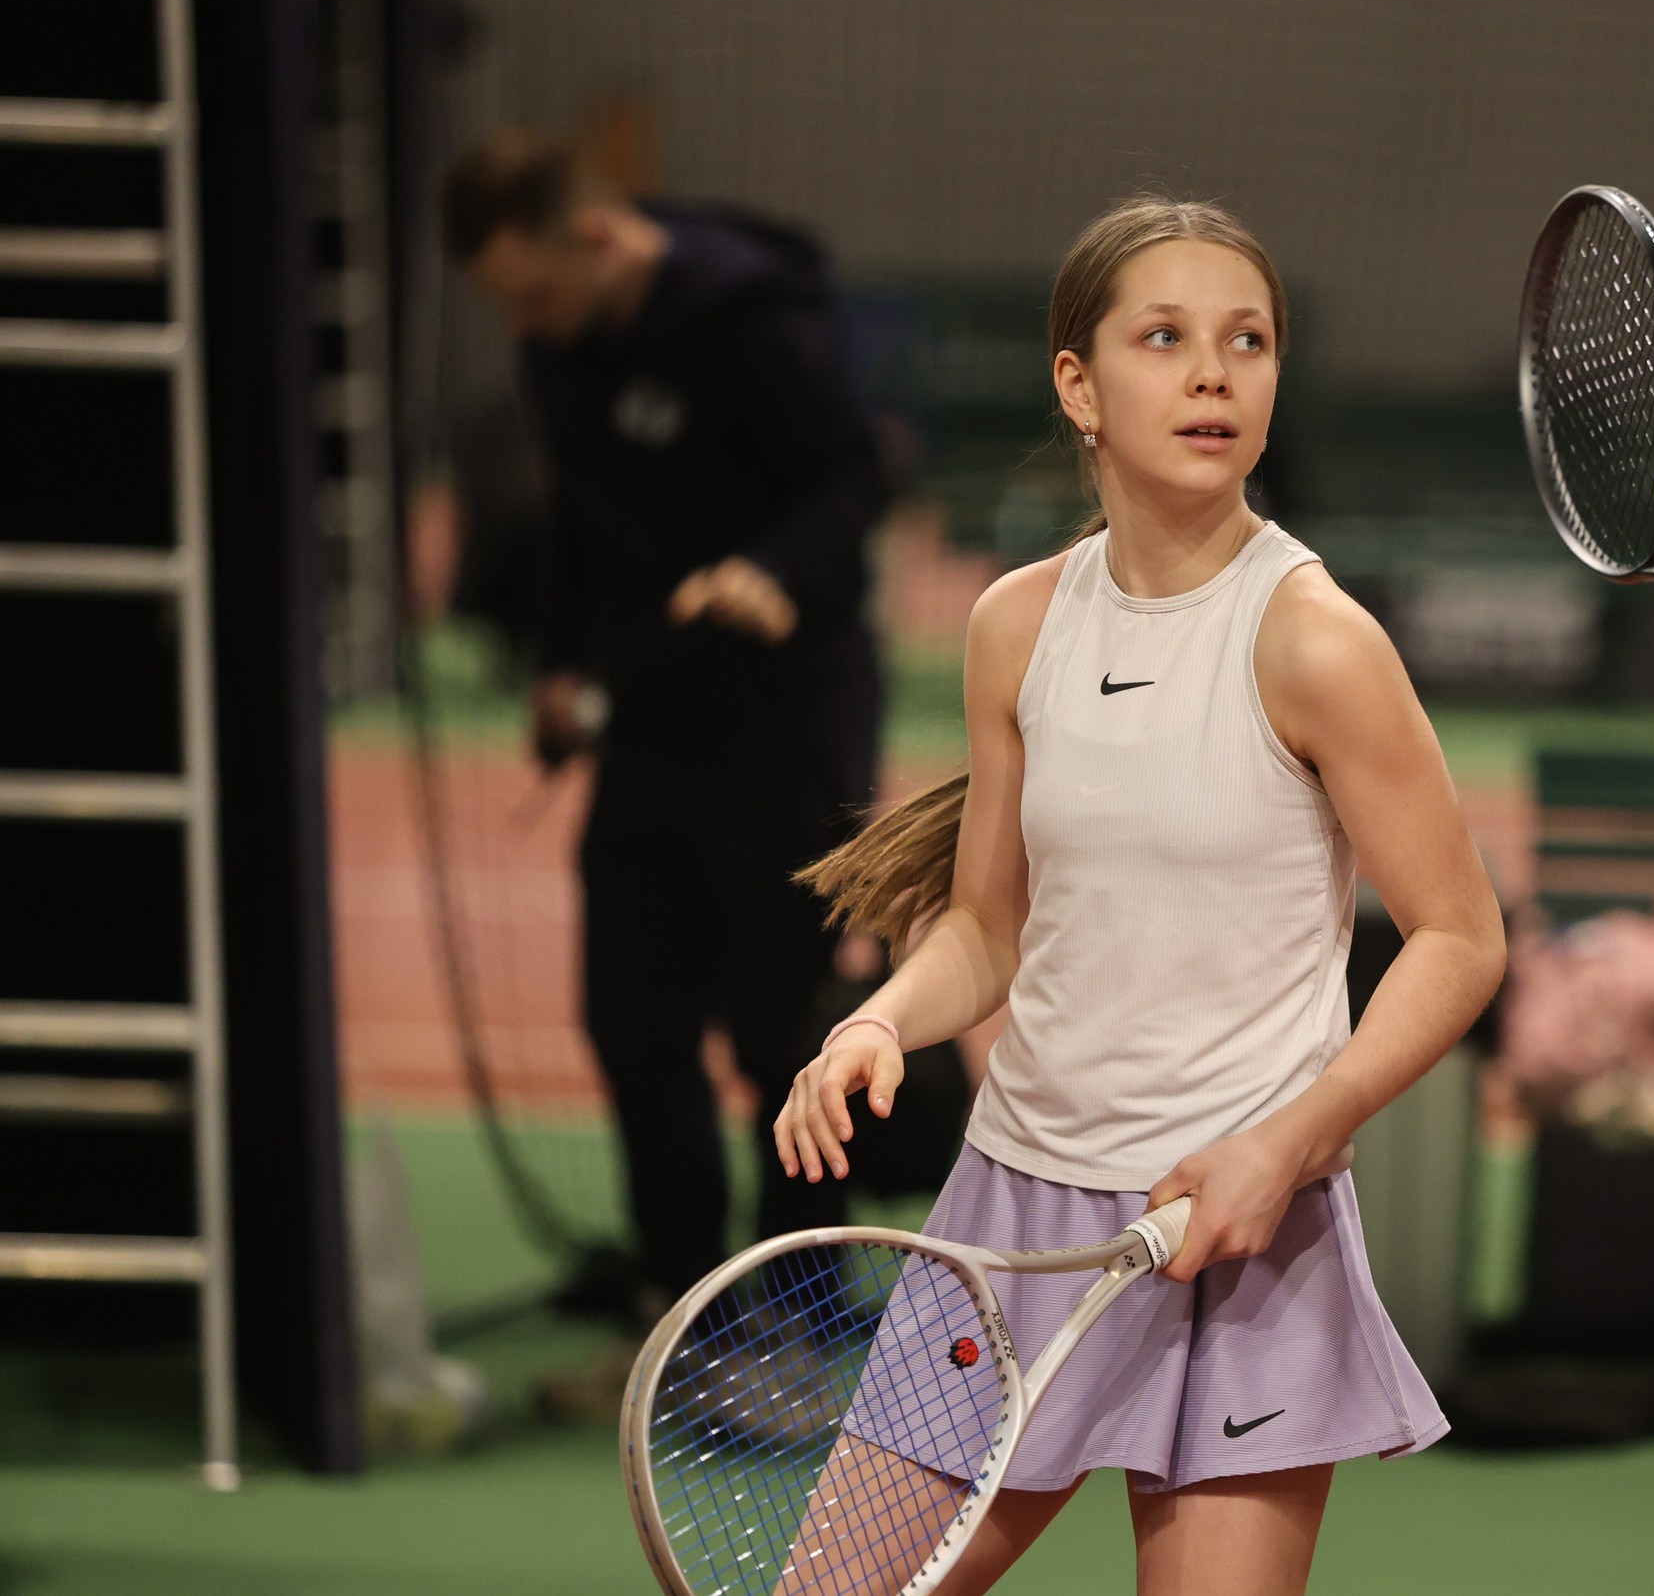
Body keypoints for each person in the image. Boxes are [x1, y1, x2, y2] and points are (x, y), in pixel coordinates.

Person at [772, 196, 1506, 1595]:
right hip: (1014, 1222)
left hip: (1244, 1228)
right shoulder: (1017, 623)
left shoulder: (1318, 641)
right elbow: (987, 925)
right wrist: (880, 1020)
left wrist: (1288, 1142)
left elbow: (1461, 938)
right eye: (1164, 338)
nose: (1213, 374)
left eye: (1248, 342)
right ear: (1078, 384)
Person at [441, 131, 945, 1324]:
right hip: (651, 723)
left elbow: (855, 474)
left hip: (788, 718)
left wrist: (769, 569)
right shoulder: (562, 343)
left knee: (783, 1024)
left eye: (532, 292)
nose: (525, 321)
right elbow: (582, 520)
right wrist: (565, 664)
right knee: (632, 1012)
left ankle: (801, 1299)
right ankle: (685, 1302)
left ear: (596, 238)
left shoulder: (754, 314)